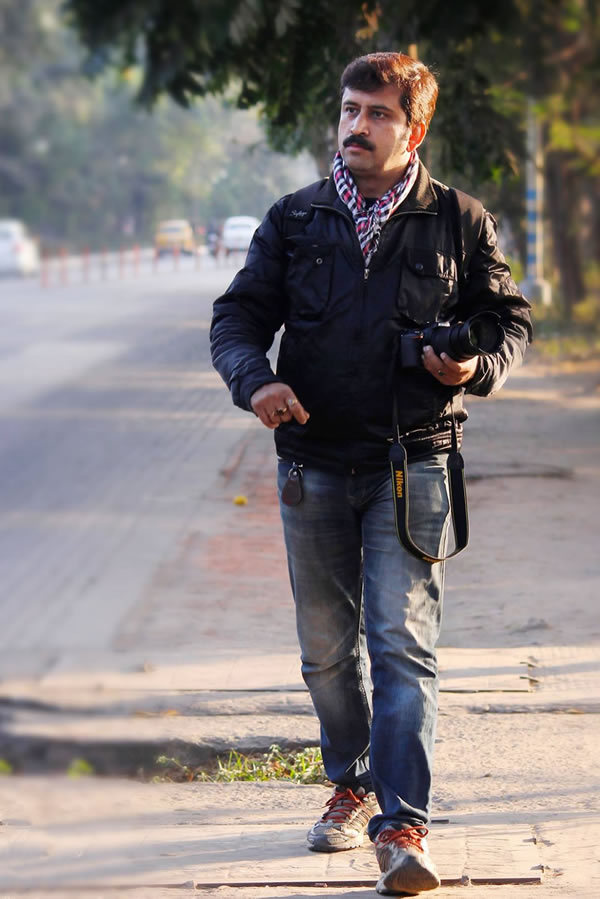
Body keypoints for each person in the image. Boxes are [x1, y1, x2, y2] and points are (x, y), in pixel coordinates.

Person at [210, 51, 532, 896]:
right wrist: (258, 382)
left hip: (414, 463)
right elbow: (237, 316)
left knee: (401, 645)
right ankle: (350, 779)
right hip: (310, 464)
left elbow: (507, 320)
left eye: (378, 114)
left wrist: (476, 367)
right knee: (325, 650)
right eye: (351, 109)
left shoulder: (459, 221)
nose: (357, 125)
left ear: (412, 129)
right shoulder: (296, 218)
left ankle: (401, 822)